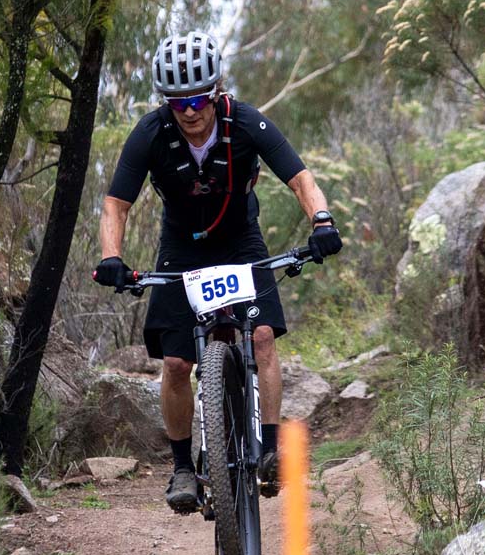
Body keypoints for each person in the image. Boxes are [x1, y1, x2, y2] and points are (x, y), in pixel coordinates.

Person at [93, 30, 341, 514]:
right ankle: (183, 467)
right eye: (177, 102)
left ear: (216, 91)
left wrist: (322, 221)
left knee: (262, 336)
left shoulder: (244, 121)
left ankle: (270, 449)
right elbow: (116, 204)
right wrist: (111, 257)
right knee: (175, 363)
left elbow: (299, 178)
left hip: (240, 240)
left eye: (197, 99)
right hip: (181, 249)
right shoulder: (151, 133)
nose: (189, 112)